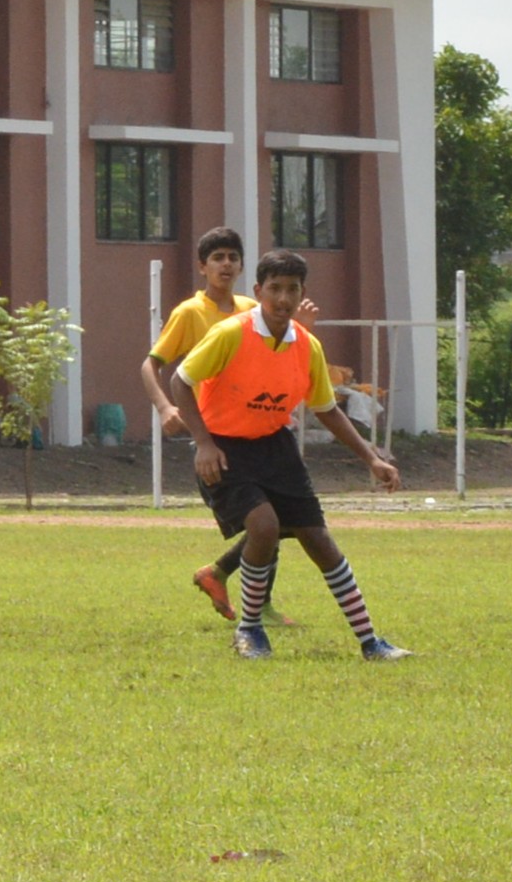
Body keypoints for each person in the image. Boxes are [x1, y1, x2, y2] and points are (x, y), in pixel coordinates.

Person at [160, 248, 407, 660]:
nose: (283, 298)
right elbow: (180, 382)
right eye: (275, 288)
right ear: (258, 291)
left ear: (302, 294)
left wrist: (372, 458)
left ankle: (371, 642)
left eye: (292, 289)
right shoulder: (230, 333)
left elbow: (326, 409)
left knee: (319, 540)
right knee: (264, 526)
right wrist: (203, 443)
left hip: (276, 446)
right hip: (225, 448)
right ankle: (250, 630)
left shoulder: (307, 346)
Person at [145, 226, 256, 617]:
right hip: (215, 433)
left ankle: (229, 580)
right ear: (202, 267)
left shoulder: (251, 309)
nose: (226, 264)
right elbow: (151, 364)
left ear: (241, 266)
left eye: (233, 257)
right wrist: (164, 407)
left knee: (275, 518)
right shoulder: (190, 312)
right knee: (267, 519)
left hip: (255, 427)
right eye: (217, 258)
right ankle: (232, 584)